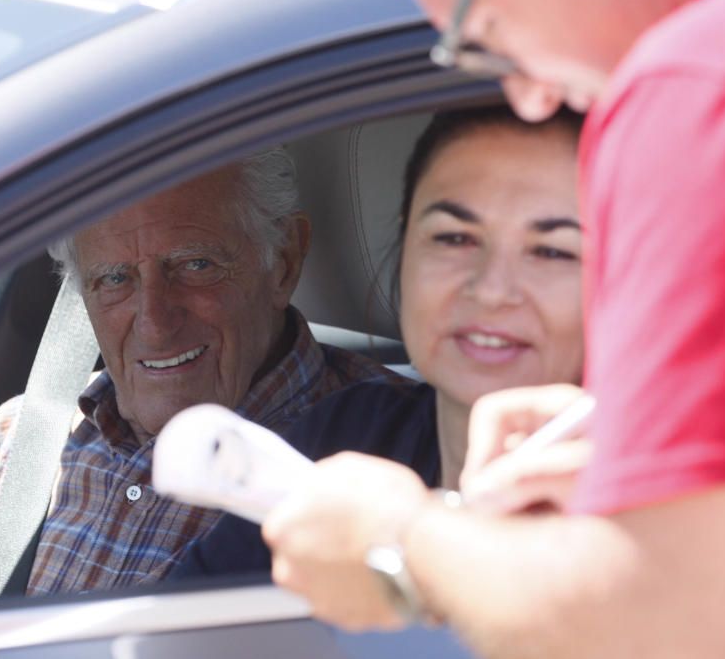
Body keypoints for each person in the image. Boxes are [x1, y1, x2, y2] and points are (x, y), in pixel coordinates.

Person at [262, 0, 725, 658]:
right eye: (453, 238)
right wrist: (648, 451)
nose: (530, 97)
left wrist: (400, 545)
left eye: (475, 29)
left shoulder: (698, 88)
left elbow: (664, 630)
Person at [0, 147, 405, 596]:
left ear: (283, 262)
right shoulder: (23, 438)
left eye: (196, 265)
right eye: (116, 279)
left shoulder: (401, 449)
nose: (155, 325)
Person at [171, 105, 584, 579]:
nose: (490, 288)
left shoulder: (653, 495)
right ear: (404, 248)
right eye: (454, 238)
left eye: (552, 251)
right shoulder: (344, 439)